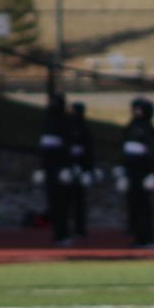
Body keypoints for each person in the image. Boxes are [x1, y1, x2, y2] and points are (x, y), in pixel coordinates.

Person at [120, 97, 154, 248]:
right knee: (133, 206)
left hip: (144, 174)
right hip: (131, 174)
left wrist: (152, 173)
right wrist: (122, 171)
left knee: (144, 207)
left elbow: (153, 153)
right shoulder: (130, 127)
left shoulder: (148, 129)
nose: (137, 112)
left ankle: (148, 239)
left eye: (140, 109)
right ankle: (138, 238)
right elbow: (124, 150)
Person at [37, 92, 71, 244]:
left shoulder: (65, 122)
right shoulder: (46, 121)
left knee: (62, 202)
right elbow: (43, 147)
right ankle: (57, 233)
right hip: (50, 168)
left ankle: (64, 234)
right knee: (52, 202)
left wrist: (66, 167)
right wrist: (41, 168)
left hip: (60, 167)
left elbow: (67, 146)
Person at [67, 102, 94, 239]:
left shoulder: (83, 128)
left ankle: (80, 229)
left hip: (80, 169)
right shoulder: (66, 127)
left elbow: (88, 150)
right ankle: (68, 229)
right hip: (68, 169)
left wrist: (87, 170)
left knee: (79, 201)